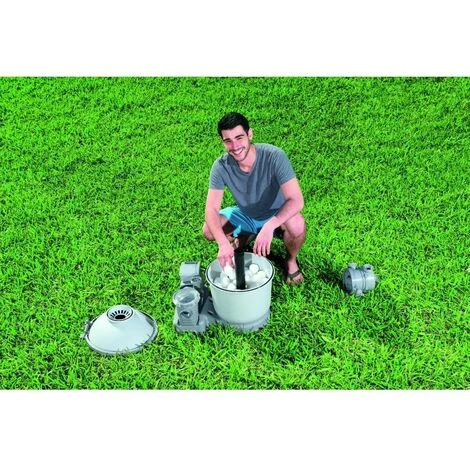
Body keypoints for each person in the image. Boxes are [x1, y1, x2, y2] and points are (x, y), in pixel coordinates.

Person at [202, 112, 306, 285]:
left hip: (275, 214)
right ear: (223, 141)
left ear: (250, 134)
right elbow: (211, 208)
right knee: (208, 230)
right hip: (246, 213)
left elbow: (296, 200)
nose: (235, 146)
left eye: (239, 138)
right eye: (228, 141)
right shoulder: (220, 166)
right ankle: (248, 233)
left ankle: (290, 260)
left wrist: (270, 225)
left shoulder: (274, 156)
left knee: (297, 225)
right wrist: (222, 243)